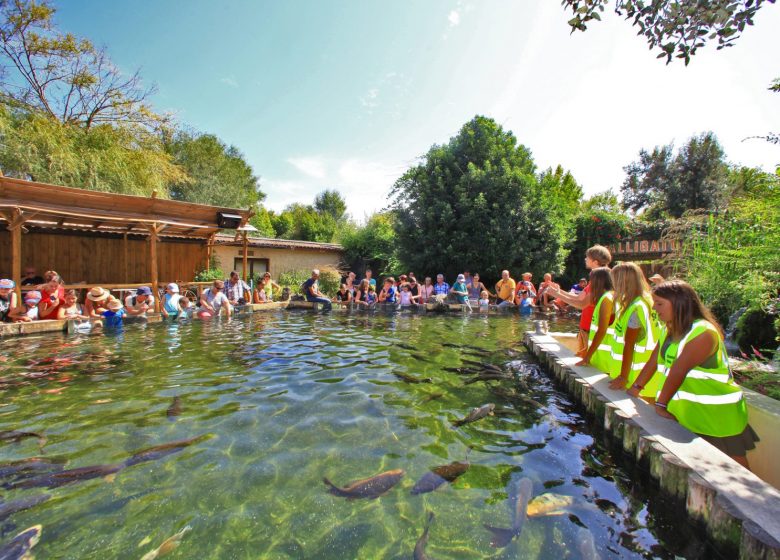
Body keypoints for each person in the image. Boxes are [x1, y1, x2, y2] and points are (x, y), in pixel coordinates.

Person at [628, 280, 757, 468]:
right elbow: (654, 361)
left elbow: (679, 369)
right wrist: (635, 388)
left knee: (734, 468)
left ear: (679, 303)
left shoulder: (703, 332)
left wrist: (660, 404)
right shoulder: (670, 329)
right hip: (690, 414)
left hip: (717, 416)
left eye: (659, 303)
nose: (654, 308)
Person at [607, 262, 662, 398]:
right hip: (653, 376)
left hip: (636, 376)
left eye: (614, 281)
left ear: (622, 282)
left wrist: (623, 377)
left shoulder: (636, 307)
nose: (613, 285)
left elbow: (629, 344)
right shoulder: (648, 299)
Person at [547, 245, 612, 357]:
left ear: (595, 262)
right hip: (586, 328)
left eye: (587, 257)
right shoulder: (595, 279)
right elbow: (578, 298)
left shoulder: (600, 280)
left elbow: (582, 304)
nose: (585, 259)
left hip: (591, 330)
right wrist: (559, 291)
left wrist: (557, 294)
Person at [576, 268, 615, 372]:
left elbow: (602, 330)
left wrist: (587, 356)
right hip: (601, 357)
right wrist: (588, 348)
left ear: (598, 281)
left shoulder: (607, 299)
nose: (589, 283)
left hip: (604, 361)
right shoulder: (609, 296)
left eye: (591, 280)